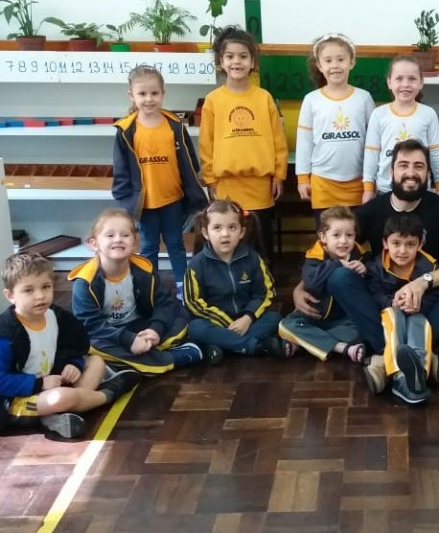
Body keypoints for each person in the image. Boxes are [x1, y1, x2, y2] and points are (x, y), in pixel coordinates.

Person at [292, 140, 439, 376]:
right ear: (391, 172)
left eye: (419, 166)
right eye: (403, 165)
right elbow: (331, 248)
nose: (411, 172)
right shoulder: (371, 211)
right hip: (381, 302)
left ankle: (391, 355)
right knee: (339, 277)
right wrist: (301, 287)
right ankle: (411, 353)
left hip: (426, 299)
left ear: (428, 173)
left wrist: (423, 282)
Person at [0, 253, 141, 439]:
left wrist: (74, 363)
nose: (40, 296)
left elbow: (72, 347)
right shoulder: (2, 335)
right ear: (10, 295)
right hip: (13, 401)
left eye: (46, 287)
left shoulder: (55, 316)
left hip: (50, 380)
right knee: (62, 398)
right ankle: (109, 393)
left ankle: (62, 413)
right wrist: (39, 384)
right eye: (28, 290)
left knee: (95, 361)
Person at [111, 65, 208, 300]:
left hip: (173, 199)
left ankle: (183, 288)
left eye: (154, 93)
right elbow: (121, 169)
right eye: (142, 94)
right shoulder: (126, 130)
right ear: (131, 95)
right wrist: (127, 200)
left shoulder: (174, 125)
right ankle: (150, 288)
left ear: (163, 93)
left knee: (175, 243)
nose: (149, 99)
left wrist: (194, 188)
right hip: (145, 204)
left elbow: (189, 160)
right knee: (149, 247)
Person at [69, 209, 205, 375]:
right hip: (107, 334)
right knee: (88, 346)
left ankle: (132, 360)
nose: (118, 239)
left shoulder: (144, 270)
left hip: (140, 326)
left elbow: (164, 303)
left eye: (125, 235)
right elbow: (89, 324)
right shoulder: (84, 282)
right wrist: (128, 339)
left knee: (182, 315)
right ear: (94, 244)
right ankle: (172, 358)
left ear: (134, 242)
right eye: (110, 235)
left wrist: (156, 329)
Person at [198, 26, 289, 266]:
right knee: (229, 243)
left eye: (243, 56)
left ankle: (263, 284)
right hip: (226, 186)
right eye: (230, 56)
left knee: (260, 245)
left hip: (260, 187)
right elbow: (206, 144)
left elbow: (278, 141)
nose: (236, 62)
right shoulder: (213, 101)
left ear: (253, 62)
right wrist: (210, 179)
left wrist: (279, 175)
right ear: (221, 61)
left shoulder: (264, 98)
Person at [183, 200, 289, 364]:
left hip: (248, 321)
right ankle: (255, 346)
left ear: (241, 232)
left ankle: (221, 346)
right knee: (196, 328)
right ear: (205, 233)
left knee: (274, 318)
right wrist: (228, 324)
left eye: (232, 227)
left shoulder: (253, 259)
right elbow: (193, 303)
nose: (225, 234)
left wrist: (247, 318)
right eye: (217, 228)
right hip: (216, 323)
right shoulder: (197, 265)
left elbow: (265, 293)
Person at [296, 33, 376, 216]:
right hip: (323, 184)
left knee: (356, 232)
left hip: (359, 184)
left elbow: (374, 142)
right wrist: (302, 178)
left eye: (341, 59)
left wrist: (371, 182)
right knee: (329, 233)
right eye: (328, 60)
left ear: (352, 62)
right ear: (319, 65)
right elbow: (304, 142)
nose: (335, 65)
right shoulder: (311, 100)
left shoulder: (364, 98)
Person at [365, 213, 439, 404]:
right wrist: (392, 302)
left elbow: (435, 295)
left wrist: (419, 304)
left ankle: (418, 375)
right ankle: (399, 375)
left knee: (419, 322)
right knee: (394, 316)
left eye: (410, 244)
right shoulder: (376, 267)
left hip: (417, 312)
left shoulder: (429, 266)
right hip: (390, 312)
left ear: (420, 245)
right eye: (396, 243)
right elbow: (374, 295)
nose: (402, 251)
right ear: (385, 243)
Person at [278, 206, 366, 364]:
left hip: (343, 320)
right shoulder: (314, 257)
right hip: (313, 317)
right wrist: (336, 264)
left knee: (359, 330)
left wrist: (365, 271)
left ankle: (304, 342)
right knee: (286, 324)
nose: (343, 241)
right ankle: (342, 348)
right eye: (336, 235)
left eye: (349, 235)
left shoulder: (361, 256)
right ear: (323, 236)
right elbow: (312, 282)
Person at [362, 55, 439, 202]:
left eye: (412, 79)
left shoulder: (428, 114)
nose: (405, 84)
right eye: (399, 79)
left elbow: (436, 153)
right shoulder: (378, 114)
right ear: (389, 82)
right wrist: (368, 189)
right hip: (385, 189)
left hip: (419, 189)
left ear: (421, 83)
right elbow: (371, 153)